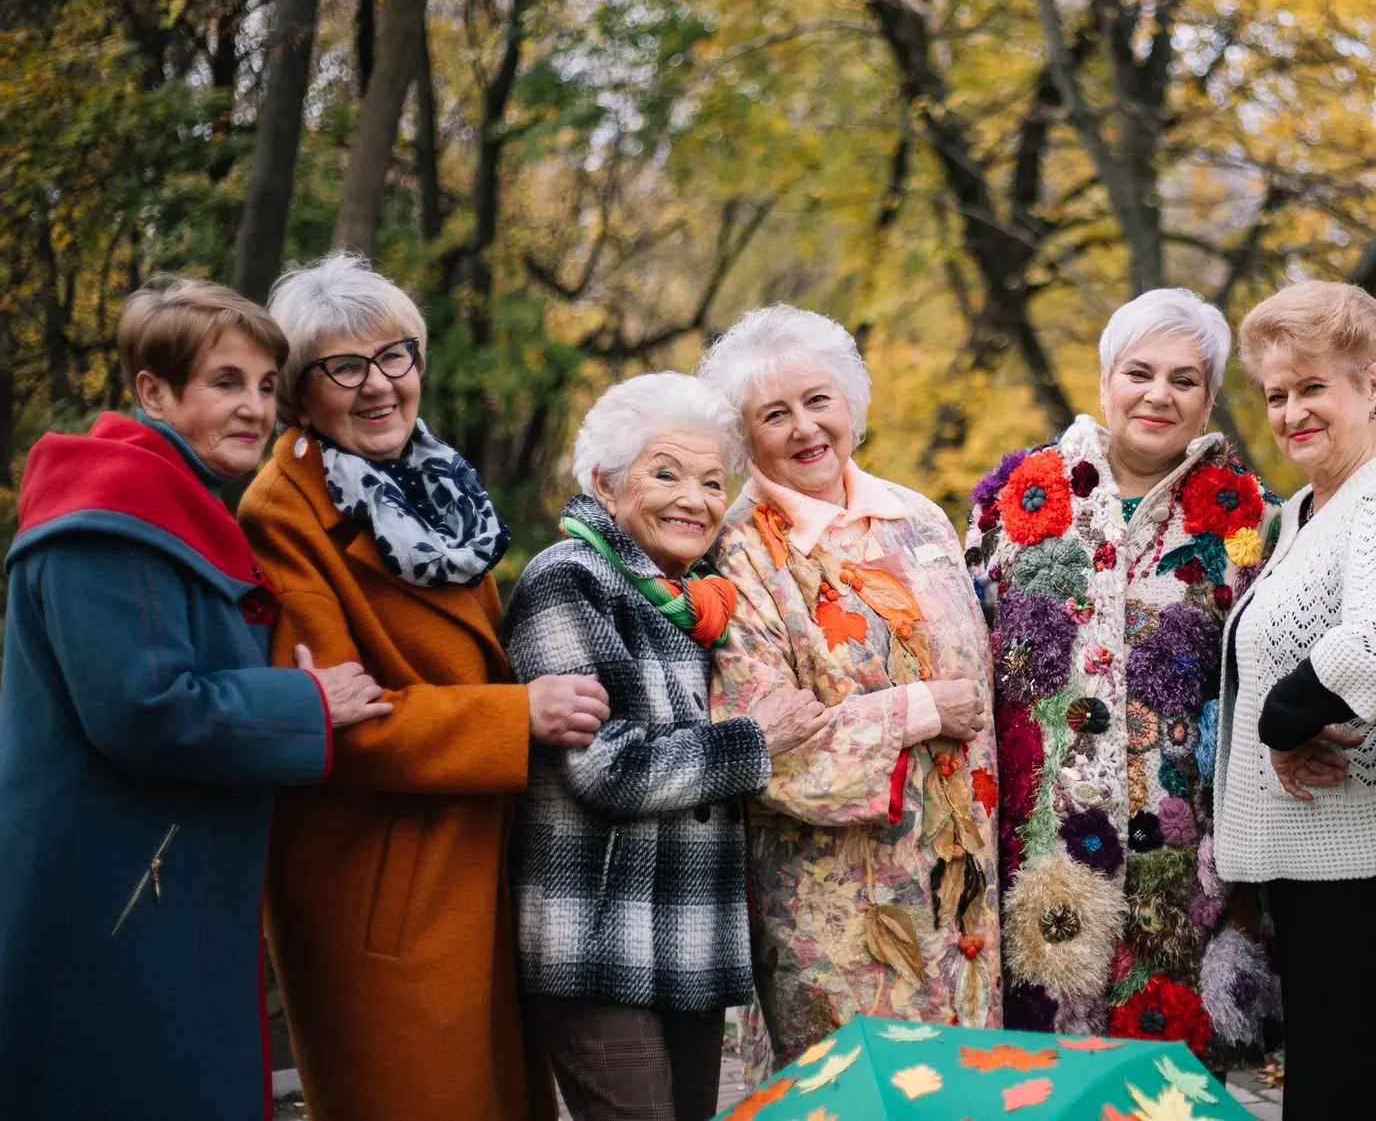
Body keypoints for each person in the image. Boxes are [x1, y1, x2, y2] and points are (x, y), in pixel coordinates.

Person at [0, 277, 388, 1116]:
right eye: (225, 382)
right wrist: (306, 702)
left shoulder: (169, 505)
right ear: (154, 392)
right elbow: (145, 709)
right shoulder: (111, 519)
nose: (255, 407)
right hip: (116, 905)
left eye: (264, 386)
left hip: (156, 889)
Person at [241, 251, 607, 1121]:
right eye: (345, 367)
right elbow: (340, 721)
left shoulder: (434, 488)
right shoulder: (283, 512)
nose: (379, 385)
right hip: (382, 884)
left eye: (396, 355)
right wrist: (517, 715)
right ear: (298, 391)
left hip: (472, 857)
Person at [966, 288, 1281, 1066]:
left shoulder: (1250, 520)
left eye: (1184, 379)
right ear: (1106, 380)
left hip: (1178, 858)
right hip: (1037, 845)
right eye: (1140, 372)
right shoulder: (1016, 501)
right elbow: (967, 644)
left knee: (1162, 1081)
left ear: (1209, 399)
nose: (1158, 394)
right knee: (1036, 1078)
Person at [506, 372, 828, 1121]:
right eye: (666, 472)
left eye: (714, 481)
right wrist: (755, 741)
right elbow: (604, 767)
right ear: (605, 483)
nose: (695, 497)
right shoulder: (571, 579)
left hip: (690, 940)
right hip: (597, 941)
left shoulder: (695, 602)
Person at [699, 304, 998, 1072]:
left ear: (850, 407)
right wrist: (917, 709)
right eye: (775, 413)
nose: (804, 427)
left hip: (960, 890)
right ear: (744, 435)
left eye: (817, 400)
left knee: (964, 1089)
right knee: (859, 1090)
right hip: (836, 908)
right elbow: (763, 740)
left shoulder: (920, 518)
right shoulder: (739, 555)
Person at [1213, 280, 1376, 1118]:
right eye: (1277, 394)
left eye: (1313, 386)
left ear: (1374, 383)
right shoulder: (1305, 510)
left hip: (1371, 871)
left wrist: (1287, 720)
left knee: (1368, 1095)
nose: (1290, 412)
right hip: (1315, 867)